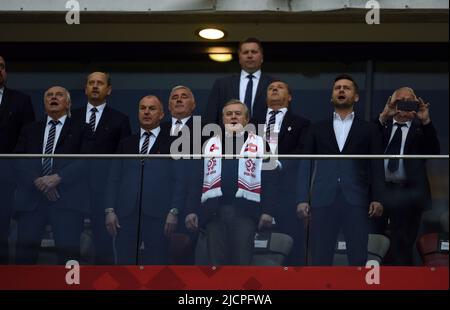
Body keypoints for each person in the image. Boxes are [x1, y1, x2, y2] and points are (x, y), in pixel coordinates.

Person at [296, 74, 384, 266]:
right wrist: (303, 198)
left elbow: (376, 165)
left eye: (347, 88)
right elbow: (305, 164)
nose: (341, 90)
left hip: (356, 198)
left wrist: (377, 197)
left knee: (358, 255)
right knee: (320, 255)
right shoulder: (316, 128)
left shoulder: (369, 129)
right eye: (337, 88)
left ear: (356, 97)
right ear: (331, 97)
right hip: (322, 199)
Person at [185, 99, 276, 265]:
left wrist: (268, 210)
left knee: (242, 264)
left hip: (245, 213)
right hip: (214, 213)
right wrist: (191, 210)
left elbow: (270, 181)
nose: (233, 117)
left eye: (238, 113)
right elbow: (195, 180)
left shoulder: (260, 143)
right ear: (223, 119)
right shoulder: (208, 145)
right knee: (216, 265)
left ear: (246, 120)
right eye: (228, 114)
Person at [104, 95, 186, 265]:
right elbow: (113, 179)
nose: (146, 112)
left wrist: (174, 211)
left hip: (159, 216)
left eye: (152, 108)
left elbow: (180, 180)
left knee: (157, 266)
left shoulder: (173, 143)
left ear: (162, 114)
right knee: (124, 266)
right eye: (143, 108)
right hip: (126, 216)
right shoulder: (126, 143)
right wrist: (109, 210)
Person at [14, 86, 88, 264]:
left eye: (59, 95)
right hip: (32, 201)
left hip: (67, 200)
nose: (53, 98)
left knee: (69, 256)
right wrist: (37, 181)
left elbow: (87, 160)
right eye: (49, 95)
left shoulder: (81, 128)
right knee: (24, 257)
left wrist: (58, 178)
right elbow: (17, 160)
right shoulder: (30, 129)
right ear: (44, 102)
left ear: (68, 103)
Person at [373, 87, 440, 265]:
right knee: (376, 242)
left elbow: (433, 151)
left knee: (403, 244)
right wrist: (383, 116)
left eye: (409, 100)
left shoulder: (420, 130)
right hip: (381, 193)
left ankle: (402, 283)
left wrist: (425, 121)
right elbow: (364, 143)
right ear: (392, 102)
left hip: (409, 194)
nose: (404, 104)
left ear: (415, 104)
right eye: (399, 100)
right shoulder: (382, 127)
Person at [71, 71, 131, 265]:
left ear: (109, 89)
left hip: (103, 191)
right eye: (91, 83)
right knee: (69, 246)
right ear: (85, 88)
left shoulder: (120, 119)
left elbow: (124, 160)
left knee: (103, 246)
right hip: (71, 188)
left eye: (100, 83)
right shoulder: (71, 117)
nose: (95, 86)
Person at [263, 80, 310, 265]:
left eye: (280, 87)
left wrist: (279, 163)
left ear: (289, 97)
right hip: (255, 190)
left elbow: (303, 152)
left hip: (287, 193)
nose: (274, 89)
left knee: (292, 247)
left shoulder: (301, 123)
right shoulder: (251, 122)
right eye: (270, 88)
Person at [0, 55, 36, 264]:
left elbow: (28, 138)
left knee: (3, 228)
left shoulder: (21, 100)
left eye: (2, 67)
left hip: (8, 178)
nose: (0, 70)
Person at [205, 38, 274, 126]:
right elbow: (210, 117)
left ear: (262, 57)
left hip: (265, 137)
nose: (249, 55)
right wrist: (213, 139)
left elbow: (282, 116)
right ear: (239, 58)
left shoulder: (274, 84)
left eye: (254, 52)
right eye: (245, 52)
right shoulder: (222, 84)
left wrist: (273, 140)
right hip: (227, 138)